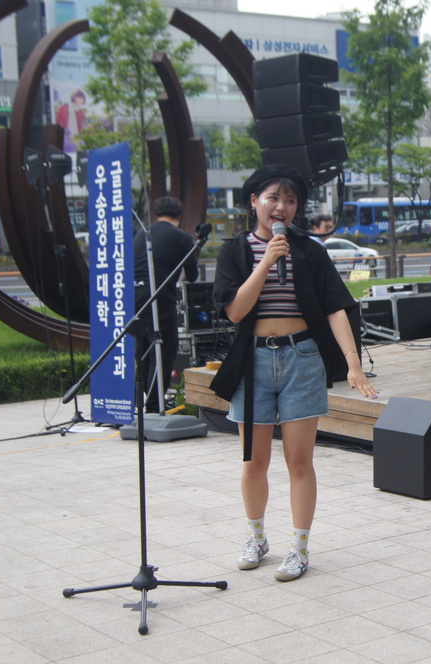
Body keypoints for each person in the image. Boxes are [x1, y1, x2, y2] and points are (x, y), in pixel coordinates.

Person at [210, 164, 378, 582]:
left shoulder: (309, 250)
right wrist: (265, 263)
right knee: (254, 461)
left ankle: (300, 548)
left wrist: (353, 364)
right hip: (253, 362)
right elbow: (234, 312)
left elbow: (335, 307)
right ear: (254, 202)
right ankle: (256, 537)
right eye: (272, 198)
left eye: (289, 200)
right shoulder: (235, 251)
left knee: (299, 461)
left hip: (301, 358)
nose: (280, 207)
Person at [132, 196, 198, 414]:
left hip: (134, 297)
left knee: (143, 349)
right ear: (179, 217)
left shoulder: (142, 233)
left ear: (156, 215)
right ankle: (154, 405)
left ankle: (137, 400)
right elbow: (193, 275)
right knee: (165, 350)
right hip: (159, 299)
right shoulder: (182, 237)